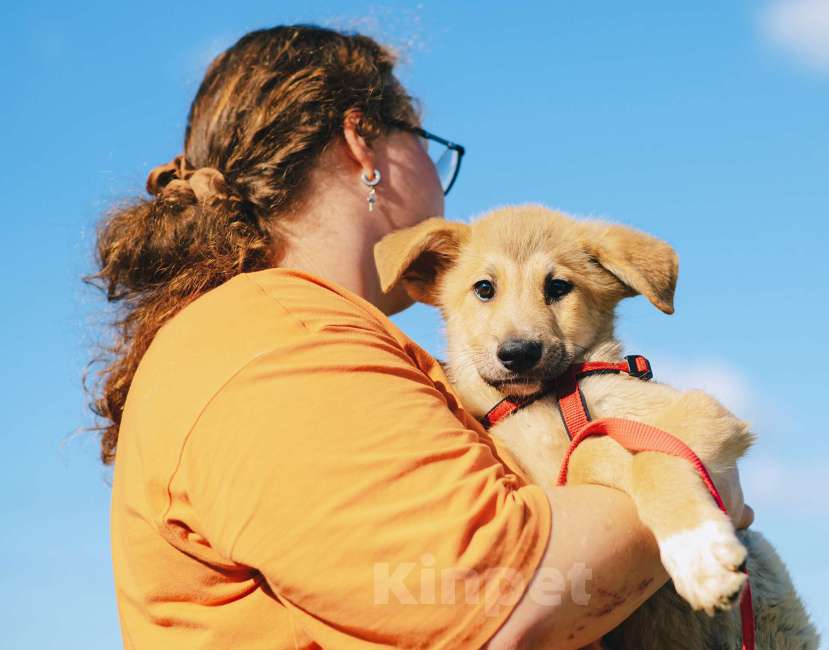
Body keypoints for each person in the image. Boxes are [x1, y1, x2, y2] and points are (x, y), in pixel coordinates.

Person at [88, 24, 753, 649]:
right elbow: (497, 594)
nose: (441, 181)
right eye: (429, 147)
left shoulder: (314, 338)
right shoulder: (275, 342)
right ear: (364, 146)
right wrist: (686, 476)